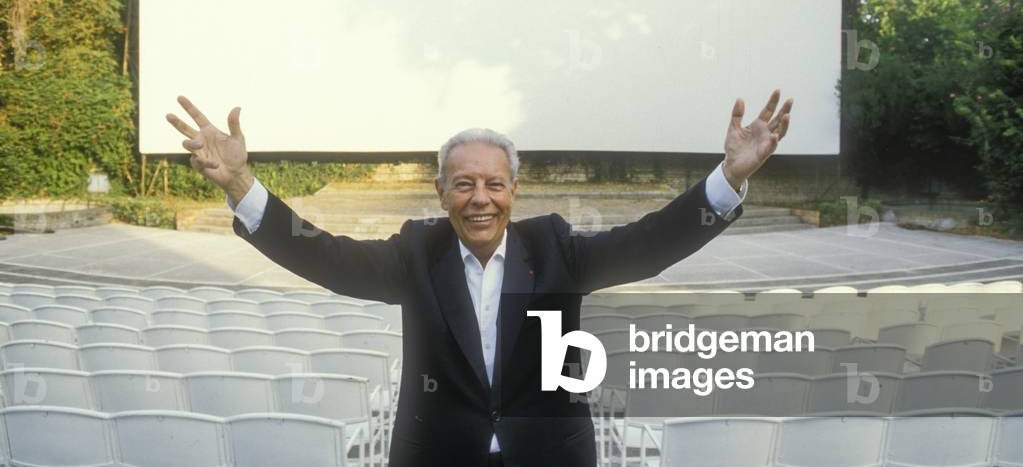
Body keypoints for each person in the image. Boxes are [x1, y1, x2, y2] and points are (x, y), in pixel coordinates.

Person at [166, 90, 792, 467]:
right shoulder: (417, 253)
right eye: (463, 184)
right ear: (441, 193)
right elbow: (326, 258)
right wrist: (241, 185)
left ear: (514, 190)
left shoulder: (556, 251)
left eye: (494, 184)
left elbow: (651, 244)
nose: (480, 198)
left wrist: (729, 178)